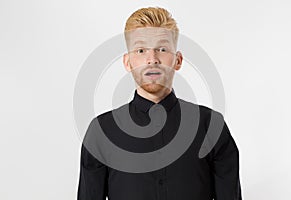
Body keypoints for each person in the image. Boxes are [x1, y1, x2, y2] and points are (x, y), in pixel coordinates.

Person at [77, 7, 242, 200]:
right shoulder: (101, 131)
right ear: (128, 62)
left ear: (177, 60)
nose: (152, 59)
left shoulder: (210, 125)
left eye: (162, 49)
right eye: (141, 50)